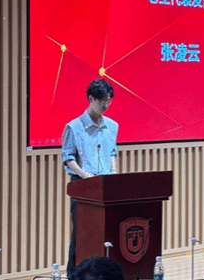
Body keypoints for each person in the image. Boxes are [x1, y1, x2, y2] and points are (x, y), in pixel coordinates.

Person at [63, 78, 119, 273]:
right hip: (83, 184)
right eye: (101, 100)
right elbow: (68, 157)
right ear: (90, 99)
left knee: (107, 231)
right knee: (82, 234)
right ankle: (73, 274)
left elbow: (112, 152)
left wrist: (114, 173)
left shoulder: (112, 125)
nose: (105, 105)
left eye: (108, 100)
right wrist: (85, 175)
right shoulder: (74, 127)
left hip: (107, 183)